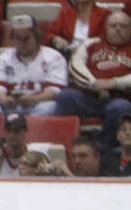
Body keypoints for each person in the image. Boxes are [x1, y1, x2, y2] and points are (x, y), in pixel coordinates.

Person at [56, 11, 131, 152]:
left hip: (120, 97)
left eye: (123, 26)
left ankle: (103, 150)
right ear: (105, 27)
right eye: (113, 25)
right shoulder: (91, 43)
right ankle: (67, 147)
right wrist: (94, 84)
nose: (118, 29)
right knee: (65, 96)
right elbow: (75, 66)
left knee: (120, 107)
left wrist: (114, 83)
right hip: (89, 95)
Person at [0, 15, 67, 117]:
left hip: (38, 104)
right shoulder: (3, 58)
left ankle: (33, 132)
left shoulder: (54, 57)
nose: (22, 43)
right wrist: (5, 100)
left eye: (26, 38)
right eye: (18, 38)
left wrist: (34, 100)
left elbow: (55, 90)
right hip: (11, 106)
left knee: (50, 107)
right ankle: (2, 133)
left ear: (36, 36)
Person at [46, 0, 110, 53]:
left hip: (93, 53)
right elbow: (50, 33)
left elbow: (106, 38)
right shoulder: (65, 13)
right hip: (69, 52)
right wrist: (56, 39)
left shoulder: (105, 14)